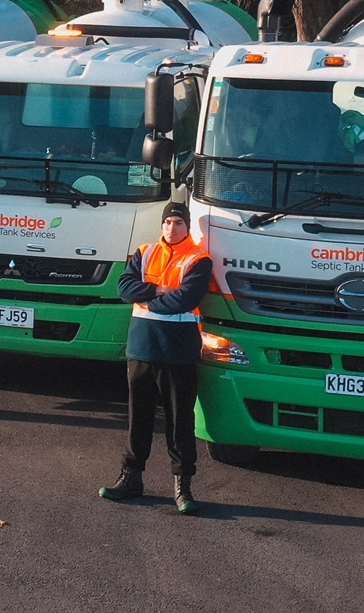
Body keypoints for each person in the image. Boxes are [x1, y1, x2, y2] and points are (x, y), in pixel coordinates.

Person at [99, 202, 213, 514]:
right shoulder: (145, 251)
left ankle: (182, 486)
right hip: (142, 348)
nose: (171, 228)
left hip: (178, 350)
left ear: (186, 227)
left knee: (180, 421)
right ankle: (130, 478)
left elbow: (186, 298)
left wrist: (149, 299)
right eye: (167, 222)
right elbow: (124, 287)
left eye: (177, 222)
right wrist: (158, 290)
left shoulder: (198, 259)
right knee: (139, 417)